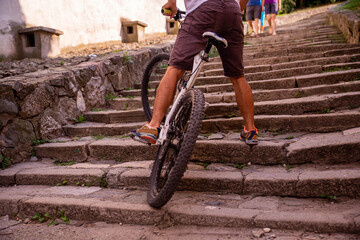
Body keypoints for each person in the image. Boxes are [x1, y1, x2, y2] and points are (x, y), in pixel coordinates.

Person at [130, 0, 258, 146]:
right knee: (238, 76)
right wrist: (238, 8)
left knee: (176, 68)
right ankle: (250, 130)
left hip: (203, 9)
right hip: (232, 13)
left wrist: (171, 3)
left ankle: (153, 127)